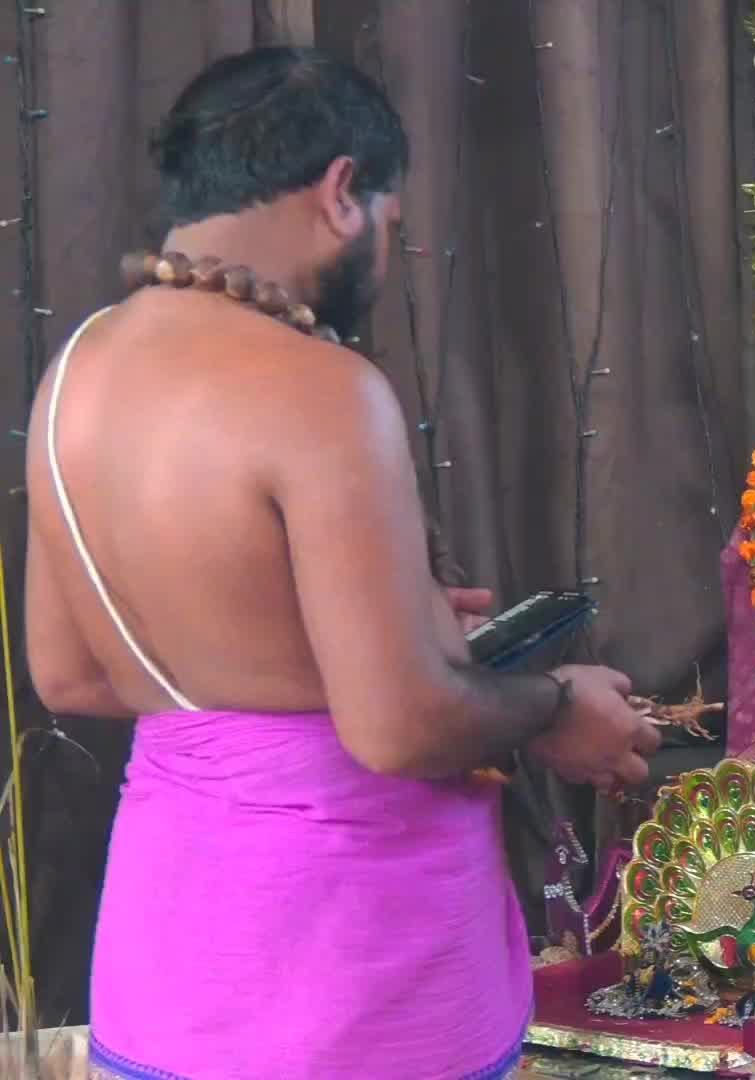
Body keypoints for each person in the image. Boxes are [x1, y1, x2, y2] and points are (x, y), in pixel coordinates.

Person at [24, 47, 660, 1078]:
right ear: (340, 192)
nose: (385, 256)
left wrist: (379, 629)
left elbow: (70, 675)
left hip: (168, 973)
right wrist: (553, 704)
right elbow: (397, 726)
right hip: (350, 978)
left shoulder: (75, 374)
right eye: (390, 225)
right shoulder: (320, 389)